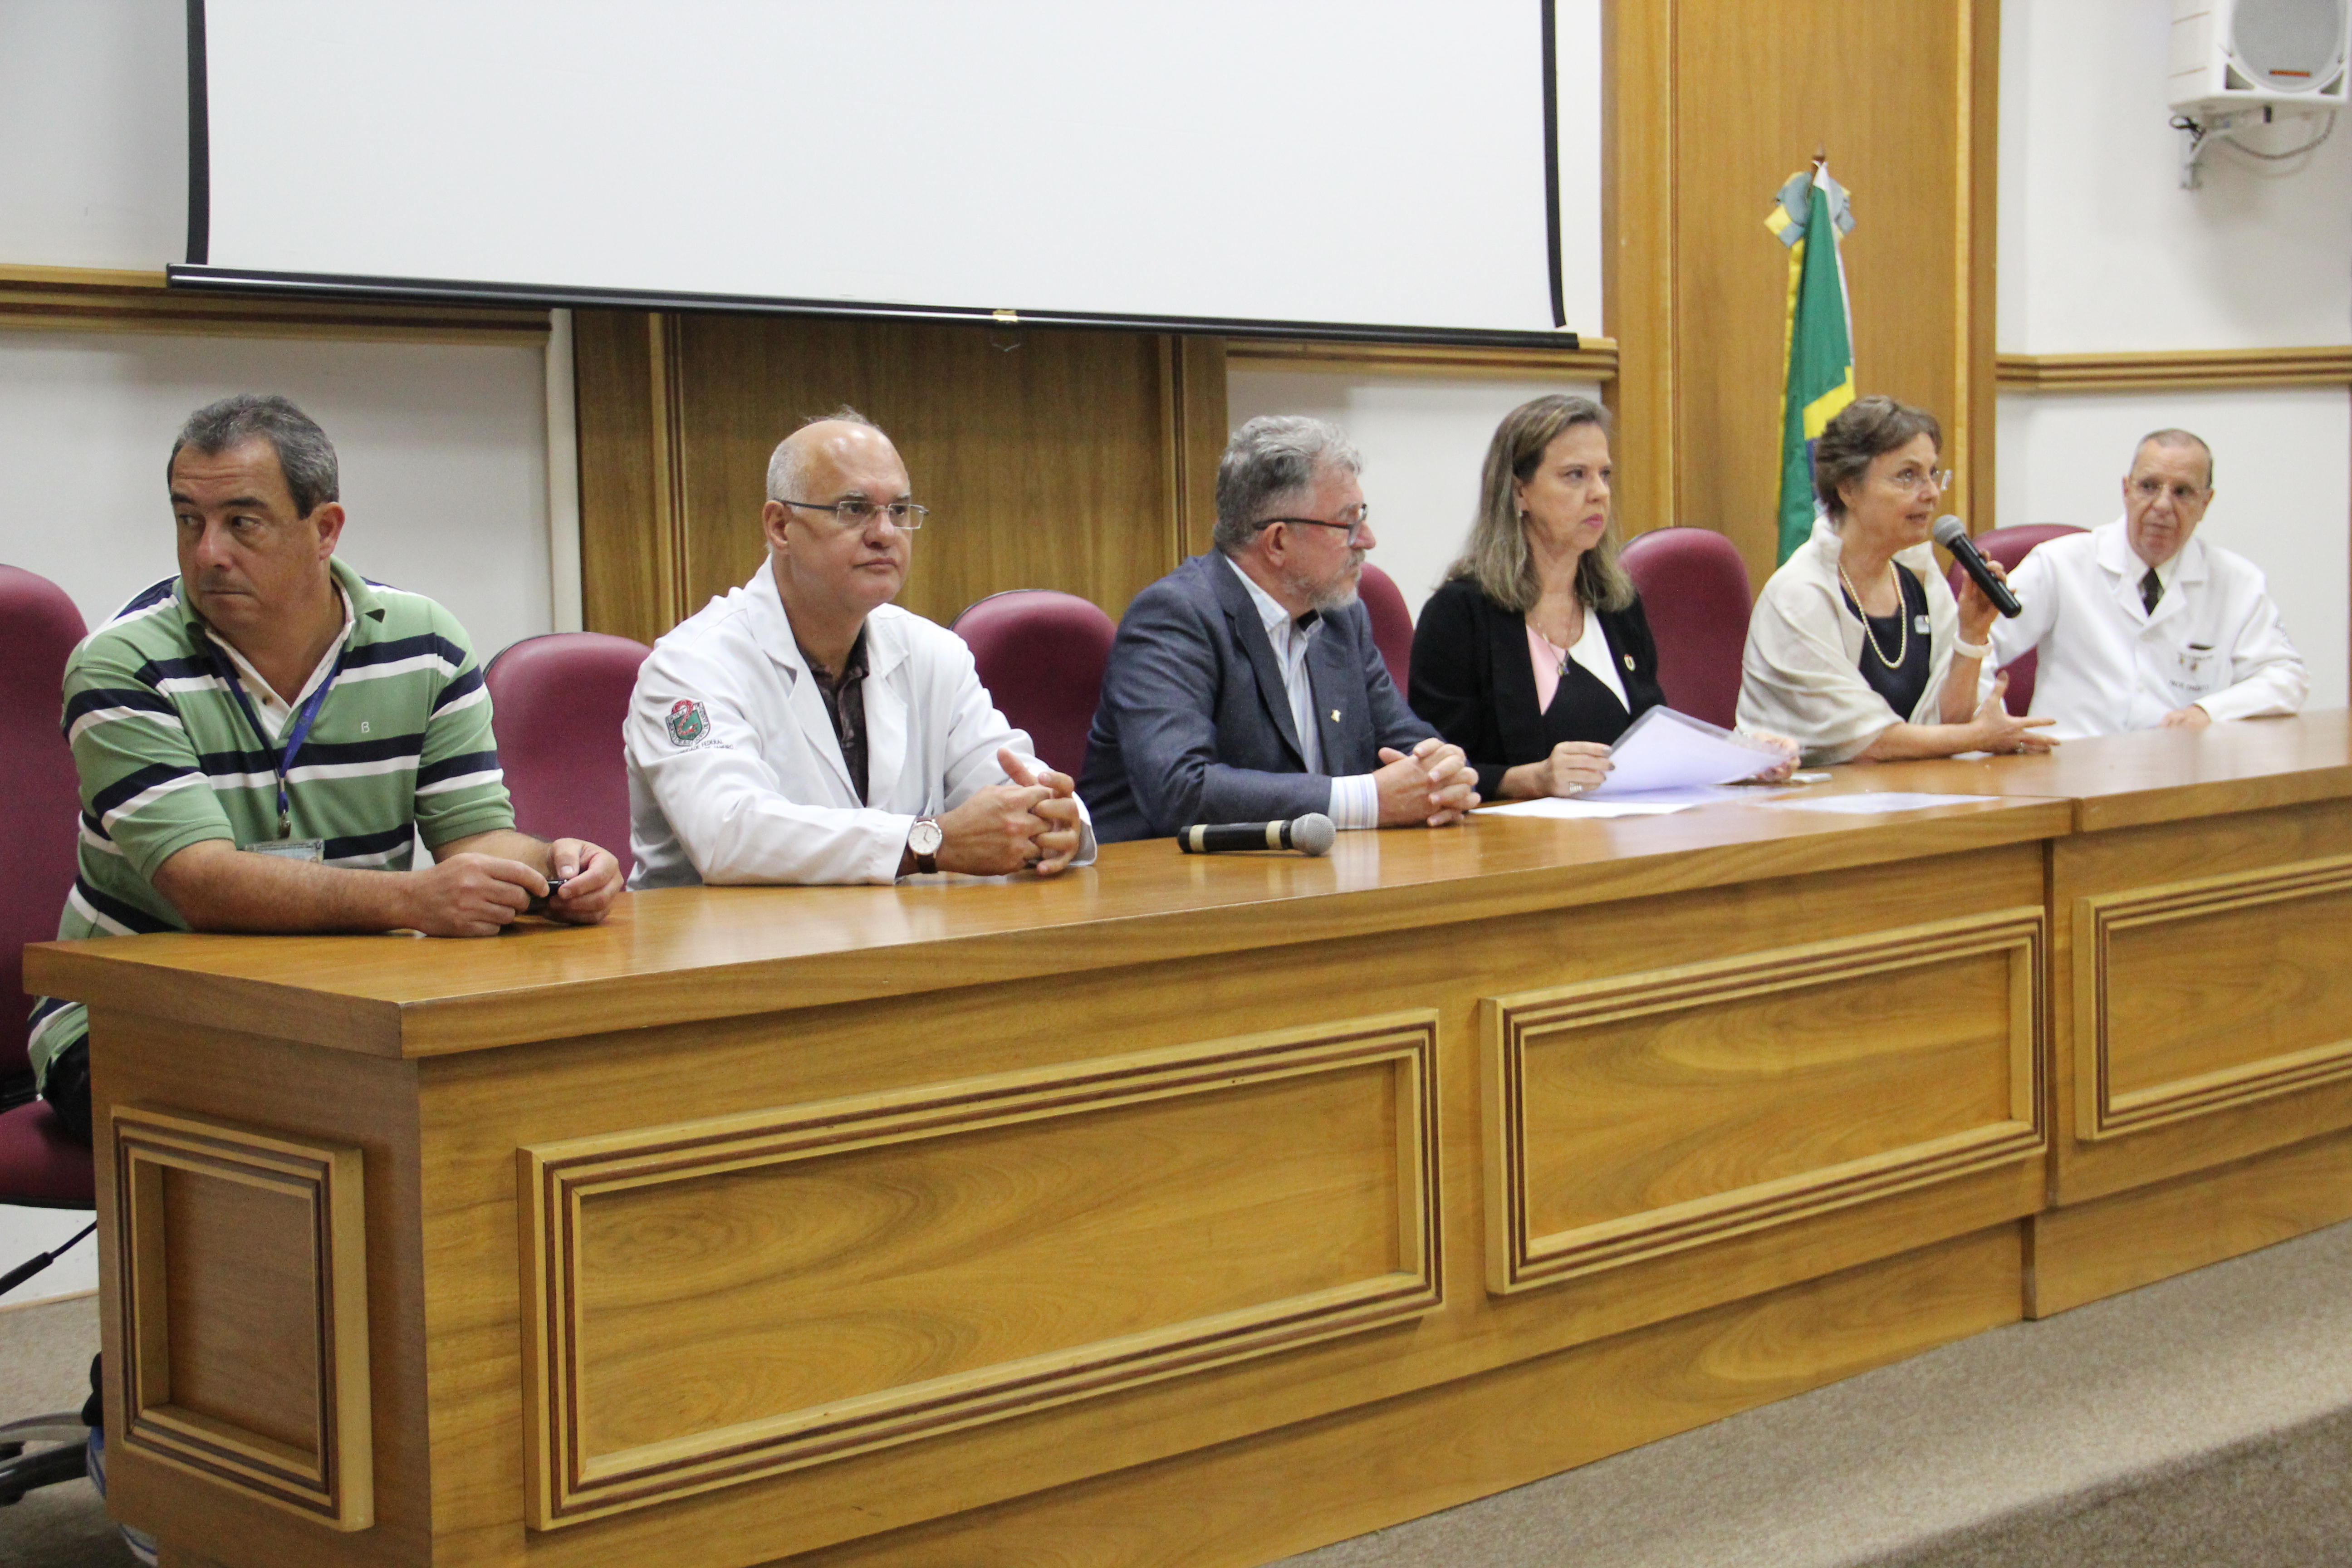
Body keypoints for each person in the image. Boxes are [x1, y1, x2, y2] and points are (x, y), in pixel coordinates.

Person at [26, 394, 621, 1146]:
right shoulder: (122, 665)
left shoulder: (424, 645)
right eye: (188, 520)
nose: (208, 552)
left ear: (325, 530)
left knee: (527, 1096)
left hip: (343, 1010)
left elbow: (475, 839)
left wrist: (553, 869)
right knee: (330, 1130)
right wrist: (415, 900)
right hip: (133, 1019)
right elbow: (201, 883)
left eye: (242, 522)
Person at [626, 409, 1094, 885]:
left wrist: (1054, 819)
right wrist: (929, 842)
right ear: (781, 526)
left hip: (894, 928)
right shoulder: (690, 667)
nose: (885, 534)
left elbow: (1013, 782)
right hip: (726, 933)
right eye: (854, 509)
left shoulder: (934, 653)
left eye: (899, 511)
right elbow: (730, 835)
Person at [1079, 415, 1477, 842]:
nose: (1367, 539)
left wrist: (1444, 775)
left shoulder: (1342, 618)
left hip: (1305, 868)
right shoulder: (1174, 617)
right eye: (1348, 523)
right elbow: (1181, 791)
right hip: (1159, 874)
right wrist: (1369, 799)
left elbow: (1413, 746)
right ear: (1278, 542)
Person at [1409, 395, 1793, 799]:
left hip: (1622, 826)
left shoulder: (1617, 604)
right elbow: (1435, 770)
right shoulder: (1460, 615)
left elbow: (1654, 746)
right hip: (1514, 835)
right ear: (1519, 492)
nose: (1599, 493)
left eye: (1604, 475)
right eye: (1575, 475)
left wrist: (1743, 760)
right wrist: (1534, 780)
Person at [1739, 395, 2056, 765]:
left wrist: (1972, 635)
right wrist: (1979, 737)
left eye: (1933, 474)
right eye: (1908, 476)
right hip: (1811, 796)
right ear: (1848, 488)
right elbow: (1866, 741)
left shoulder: (1919, 581)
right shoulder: (1799, 594)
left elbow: (1949, 723)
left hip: (1907, 789)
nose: (1931, 493)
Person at [1983, 429, 2306, 739]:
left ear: (2205, 504)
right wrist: (1987, 726)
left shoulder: (2237, 582)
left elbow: (2286, 678)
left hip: (2178, 763)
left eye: (2182, 492)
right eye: (2149, 487)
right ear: (2126, 490)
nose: (2163, 506)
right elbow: (1977, 645)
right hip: (2068, 758)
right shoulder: (2060, 563)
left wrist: (2209, 711)